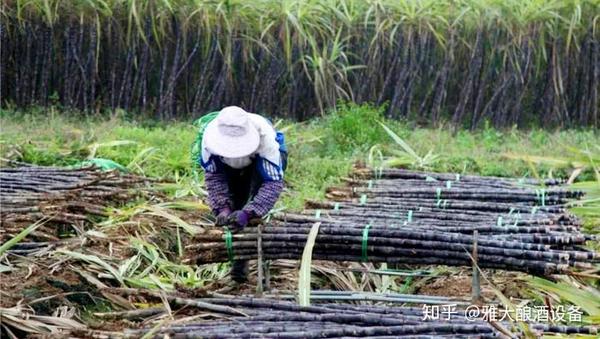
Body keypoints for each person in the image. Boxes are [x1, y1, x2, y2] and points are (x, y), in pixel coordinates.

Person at [199, 106, 287, 283]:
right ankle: (238, 268)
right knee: (234, 206)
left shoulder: (265, 139)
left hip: (258, 163)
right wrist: (222, 207)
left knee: (248, 211)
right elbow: (214, 177)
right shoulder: (209, 141)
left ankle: (245, 264)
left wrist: (250, 212)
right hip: (227, 166)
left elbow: (272, 183)